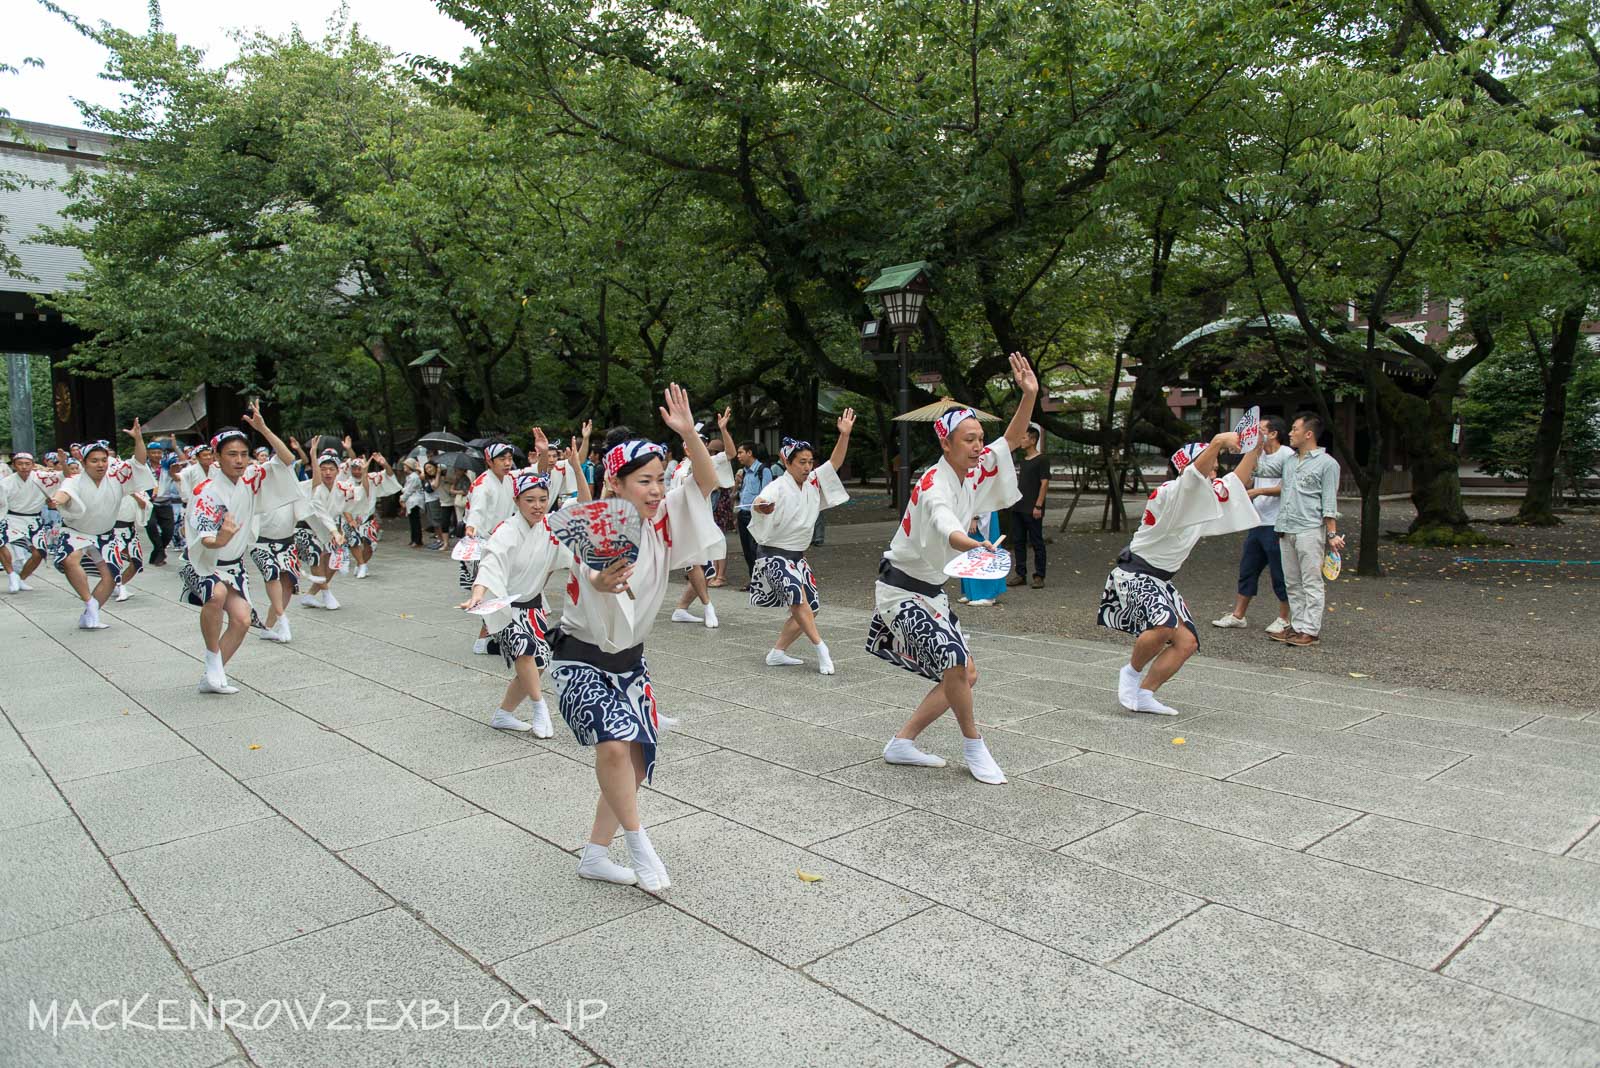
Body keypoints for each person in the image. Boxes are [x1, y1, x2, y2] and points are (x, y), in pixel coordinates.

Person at [548, 385, 723, 891]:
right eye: (644, 480)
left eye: (660, 480)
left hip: (630, 664)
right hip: (581, 662)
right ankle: (639, 844)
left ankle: (595, 855)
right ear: (617, 483)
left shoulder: (664, 519)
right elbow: (589, 572)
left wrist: (690, 433)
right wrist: (601, 581)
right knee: (616, 747)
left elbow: (706, 485)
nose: (654, 489)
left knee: (637, 757)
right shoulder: (595, 526)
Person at [870, 356, 1038, 785]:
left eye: (980, 438)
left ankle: (901, 743)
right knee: (956, 661)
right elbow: (948, 528)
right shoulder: (933, 484)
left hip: (932, 592)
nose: (979, 445)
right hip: (900, 592)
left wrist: (1029, 395)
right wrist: (974, 544)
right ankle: (974, 745)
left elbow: (1013, 440)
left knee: (967, 673)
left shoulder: (974, 469)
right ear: (946, 444)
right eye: (969, 440)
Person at [1098, 433, 1264, 715]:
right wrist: (1218, 443)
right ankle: (1131, 671)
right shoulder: (1169, 492)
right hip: (1135, 573)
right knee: (1163, 625)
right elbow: (1194, 477)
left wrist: (1255, 448)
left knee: (1187, 643)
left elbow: (1235, 482)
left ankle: (1145, 694)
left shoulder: (1205, 496)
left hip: (1161, 580)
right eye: (1211, 466)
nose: (1215, 471)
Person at [463, 448, 592, 734]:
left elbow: (585, 505)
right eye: (530, 500)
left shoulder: (551, 525)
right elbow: (491, 561)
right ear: (517, 501)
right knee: (525, 651)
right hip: (505, 605)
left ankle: (503, 714)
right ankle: (539, 707)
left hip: (533, 605)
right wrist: (478, 591)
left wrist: (577, 467)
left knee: (539, 662)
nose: (537, 505)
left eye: (543, 500)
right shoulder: (507, 530)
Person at [181, 406, 300, 693]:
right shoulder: (205, 492)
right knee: (216, 594)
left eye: (243, 454)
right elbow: (206, 540)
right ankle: (212, 660)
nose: (239, 460)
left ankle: (212, 675)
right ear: (217, 458)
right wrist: (221, 538)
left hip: (234, 566)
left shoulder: (251, 479)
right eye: (231, 454)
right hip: (203, 563)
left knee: (243, 620)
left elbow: (287, 460)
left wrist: (263, 430)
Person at [749, 412, 854, 674]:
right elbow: (760, 504)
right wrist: (763, 508)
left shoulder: (813, 483)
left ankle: (777, 652)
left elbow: (834, 463)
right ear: (787, 462)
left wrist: (844, 435)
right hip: (773, 556)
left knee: (811, 607)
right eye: (801, 462)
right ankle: (821, 648)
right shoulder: (777, 486)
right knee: (798, 599)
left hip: (797, 557)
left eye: (809, 462)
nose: (807, 467)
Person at [49, 426, 155, 630]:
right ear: (83, 462)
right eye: (94, 460)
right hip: (76, 531)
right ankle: (89, 603)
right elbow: (64, 494)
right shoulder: (74, 480)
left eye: (103, 460)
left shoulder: (116, 478)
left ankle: (90, 613)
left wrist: (139, 439)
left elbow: (139, 462)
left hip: (105, 534)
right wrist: (56, 500)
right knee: (71, 560)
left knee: (111, 576)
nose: (100, 465)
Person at [1253, 412, 1344, 647]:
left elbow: (1329, 502)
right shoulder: (1290, 461)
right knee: (1292, 581)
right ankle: (1297, 625)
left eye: (1294, 429)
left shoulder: (1328, 464)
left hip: (1310, 529)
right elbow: (1260, 470)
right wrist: (1252, 450)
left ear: (1308, 433)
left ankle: (1310, 630)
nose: (1290, 433)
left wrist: (1331, 534)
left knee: (1311, 581)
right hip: (1285, 528)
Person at [1213, 416, 1292, 634]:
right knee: (1248, 569)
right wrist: (1252, 460)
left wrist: (1258, 491)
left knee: (1280, 572)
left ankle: (1284, 618)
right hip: (1256, 521)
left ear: (1273, 433)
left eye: (1260, 430)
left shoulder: (1288, 455)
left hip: (1277, 523)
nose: (1254, 434)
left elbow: (1288, 487)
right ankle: (1238, 615)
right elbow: (1244, 482)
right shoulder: (1255, 454)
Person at [669, 411, 736, 629]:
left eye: (702, 442)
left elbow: (731, 453)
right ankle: (708, 605)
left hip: (703, 519)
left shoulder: (709, 462)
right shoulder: (680, 466)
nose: (699, 445)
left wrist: (724, 429)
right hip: (684, 522)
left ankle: (681, 608)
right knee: (696, 566)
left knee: (706, 569)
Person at [463, 442, 519, 654]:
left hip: (501, 544)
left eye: (509, 458)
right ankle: (483, 640)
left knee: (501, 595)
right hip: (484, 545)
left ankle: (490, 638)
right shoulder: (483, 484)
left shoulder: (509, 479)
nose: (507, 463)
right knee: (494, 594)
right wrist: (471, 529)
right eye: (502, 459)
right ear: (489, 461)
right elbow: (475, 513)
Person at [1, 452, 63, 592]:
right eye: (20, 464)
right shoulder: (6, 483)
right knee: (1, 542)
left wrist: (63, 463)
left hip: (34, 519)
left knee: (39, 552)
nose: (24, 467)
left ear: (33, 465)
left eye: (27, 464)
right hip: (11, 517)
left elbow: (63, 476)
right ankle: (11, 574)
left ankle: (21, 578)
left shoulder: (42, 478)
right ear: (14, 465)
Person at [300, 451, 350, 610]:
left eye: (331, 469)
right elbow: (318, 509)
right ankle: (326, 593)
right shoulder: (310, 486)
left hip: (329, 528)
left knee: (335, 561)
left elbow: (346, 507)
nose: (327, 472)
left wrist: (340, 530)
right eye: (323, 469)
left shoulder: (342, 487)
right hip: (306, 527)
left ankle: (309, 595)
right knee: (315, 556)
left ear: (338, 471)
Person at [1005, 424, 1050, 589]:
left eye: (1023, 438)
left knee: (1037, 541)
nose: (1021, 441)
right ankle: (1020, 573)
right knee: (1018, 541)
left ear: (1033, 440)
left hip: (1033, 507)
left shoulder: (1042, 459)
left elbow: (1044, 483)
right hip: (1018, 506)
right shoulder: (1022, 461)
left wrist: (1038, 505)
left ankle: (1039, 575)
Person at [734, 440, 772, 588]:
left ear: (750, 453)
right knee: (747, 550)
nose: (738, 456)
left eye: (740, 452)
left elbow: (767, 495)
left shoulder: (763, 470)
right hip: (743, 514)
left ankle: (764, 581)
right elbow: (739, 494)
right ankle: (754, 579)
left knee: (756, 548)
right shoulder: (744, 472)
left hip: (755, 515)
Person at [110, 489, 152, 602]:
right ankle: (119, 585)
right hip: (113, 530)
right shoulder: (113, 486)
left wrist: (134, 494)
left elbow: (145, 506)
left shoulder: (138, 490)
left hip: (130, 529)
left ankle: (119, 584)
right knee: (114, 561)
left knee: (136, 562)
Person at [957, 511, 1006, 606]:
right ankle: (972, 593)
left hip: (981, 513)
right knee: (971, 552)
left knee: (983, 550)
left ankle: (987, 595)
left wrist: (975, 517)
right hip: (973, 511)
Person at [401, 460, 426, 548]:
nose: (404, 468)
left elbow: (409, 490)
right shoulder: (410, 477)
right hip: (411, 500)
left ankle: (417, 540)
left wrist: (402, 499)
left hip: (415, 501)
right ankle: (414, 538)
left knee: (415, 521)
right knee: (413, 521)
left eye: (405, 466)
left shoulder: (413, 477)